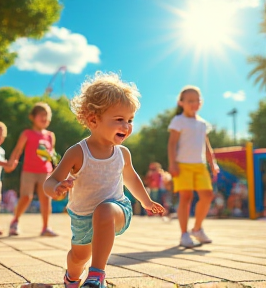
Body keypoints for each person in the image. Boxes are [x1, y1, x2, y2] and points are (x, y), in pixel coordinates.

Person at [44, 72, 165, 288]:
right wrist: (57, 188)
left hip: (117, 209)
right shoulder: (77, 152)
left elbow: (132, 178)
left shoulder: (123, 154)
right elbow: (50, 181)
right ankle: (71, 278)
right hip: (82, 216)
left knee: (105, 210)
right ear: (93, 120)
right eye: (119, 120)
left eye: (130, 120)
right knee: (78, 257)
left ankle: (96, 276)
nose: (126, 126)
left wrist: (146, 202)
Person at [168, 85, 219, 248]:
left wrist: (213, 164)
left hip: (200, 165)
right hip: (183, 165)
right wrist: (172, 163)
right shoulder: (178, 121)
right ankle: (184, 234)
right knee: (186, 197)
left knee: (208, 195)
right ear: (181, 103)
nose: (194, 103)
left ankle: (197, 229)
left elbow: (207, 146)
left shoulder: (203, 123)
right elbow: (172, 144)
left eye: (197, 100)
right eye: (190, 101)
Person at [8, 102, 57, 236]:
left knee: (46, 199)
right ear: (32, 117)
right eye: (41, 115)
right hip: (29, 171)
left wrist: (55, 170)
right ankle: (15, 222)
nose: (44, 118)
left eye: (47, 116)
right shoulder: (27, 133)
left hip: (45, 171)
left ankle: (46, 227)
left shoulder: (50, 135)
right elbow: (18, 150)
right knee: (26, 197)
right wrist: (12, 162)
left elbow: (51, 154)